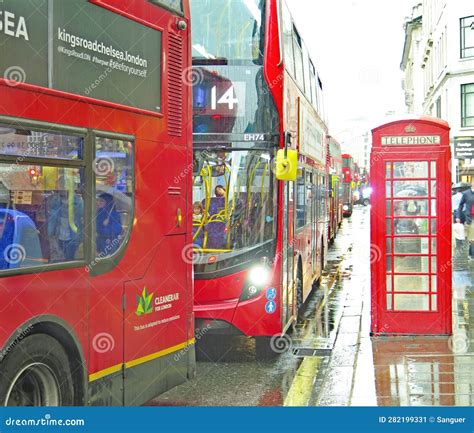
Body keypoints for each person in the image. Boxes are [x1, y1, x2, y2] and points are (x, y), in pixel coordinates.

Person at [457, 180, 474, 259]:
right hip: (470, 218)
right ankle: (472, 255)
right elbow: (460, 205)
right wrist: (458, 216)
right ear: (471, 183)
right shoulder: (466, 193)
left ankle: (471, 254)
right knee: (472, 238)